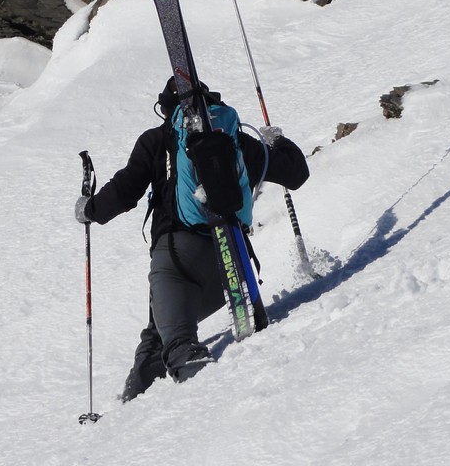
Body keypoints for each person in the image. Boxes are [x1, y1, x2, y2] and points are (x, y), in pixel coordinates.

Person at [75, 77, 309, 401]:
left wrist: (89, 210)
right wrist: (277, 142)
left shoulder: (157, 141)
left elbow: (125, 192)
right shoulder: (236, 143)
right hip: (232, 261)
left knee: (177, 345)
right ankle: (129, 409)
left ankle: (206, 412)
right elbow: (297, 173)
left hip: (178, 261)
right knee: (160, 331)